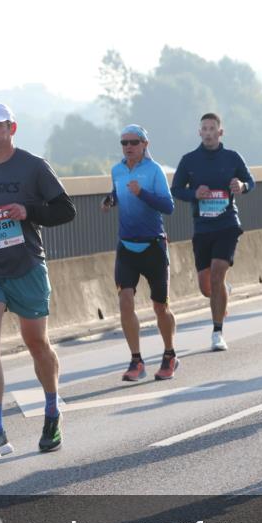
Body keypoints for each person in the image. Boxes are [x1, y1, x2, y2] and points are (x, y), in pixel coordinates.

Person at [0, 103, 77, 461]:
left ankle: (52, 412)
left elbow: (66, 210)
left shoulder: (34, 166)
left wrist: (29, 211)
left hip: (27, 266)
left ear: (12, 128)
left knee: (37, 343)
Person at [172, 113, 254, 352]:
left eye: (212, 128)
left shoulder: (232, 157)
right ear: (199, 133)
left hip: (227, 224)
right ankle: (222, 292)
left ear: (220, 132)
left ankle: (217, 332)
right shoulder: (189, 160)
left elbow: (250, 182)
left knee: (217, 273)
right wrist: (194, 193)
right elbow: (176, 189)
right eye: (204, 129)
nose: (208, 133)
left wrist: (242, 186)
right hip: (202, 227)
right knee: (206, 286)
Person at [104, 124, 178, 381]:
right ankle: (136, 360)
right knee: (125, 301)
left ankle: (169, 354)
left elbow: (168, 206)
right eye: (124, 143)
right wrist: (110, 200)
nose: (128, 147)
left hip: (153, 246)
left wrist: (142, 193)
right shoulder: (117, 170)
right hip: (127, 246)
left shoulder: (154, 170)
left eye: (133, 142)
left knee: (160, 306)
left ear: (145, 144)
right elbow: (117, 193)